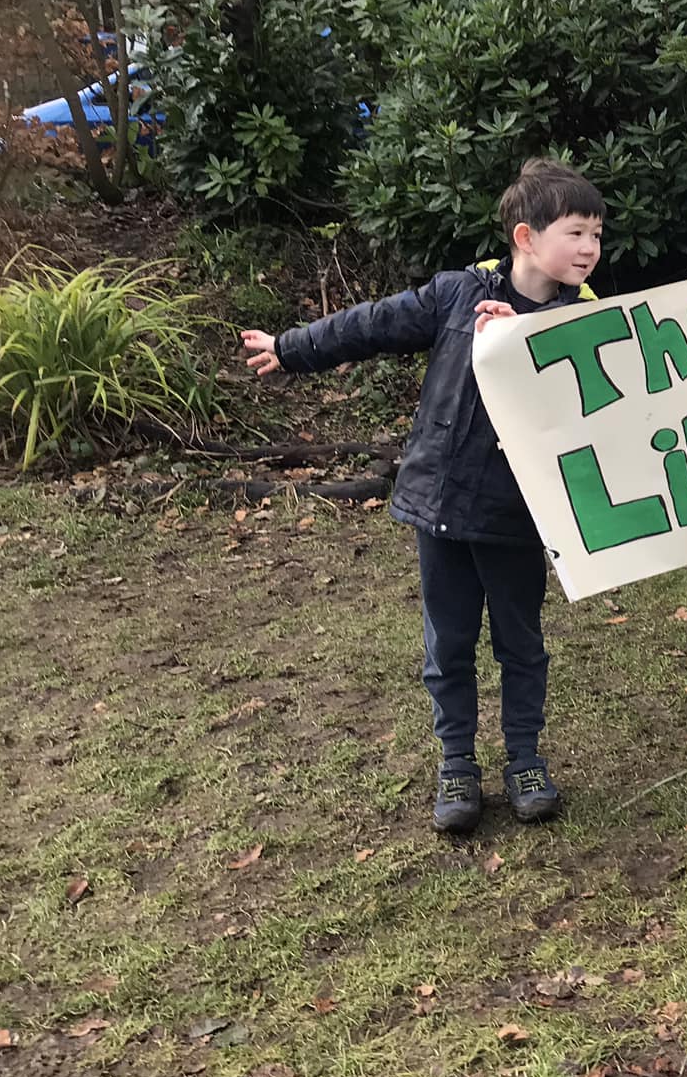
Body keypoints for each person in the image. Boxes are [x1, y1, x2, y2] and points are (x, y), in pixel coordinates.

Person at [238, 158, 604, 834]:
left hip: (519, 517)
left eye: (597, 235)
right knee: (449, 645)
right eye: (576, 233)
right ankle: (456, 763)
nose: (590, 248)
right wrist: (290, 347)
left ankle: (525, 760)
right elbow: (372, 325)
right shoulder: (458, 294)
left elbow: (602, 407)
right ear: (526, 238)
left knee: (521, 644)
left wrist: (527, 340)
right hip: (440, 507)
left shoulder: (585, 320)